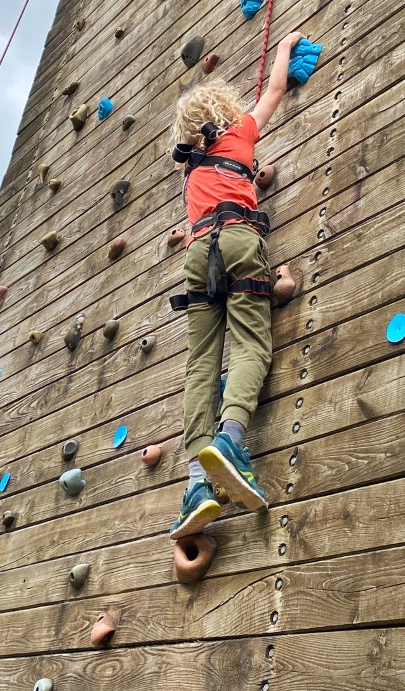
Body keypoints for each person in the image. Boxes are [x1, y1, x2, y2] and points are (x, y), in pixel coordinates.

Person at [167, 31, 304, 540]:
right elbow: (273, 91)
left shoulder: (190, 168)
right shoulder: (241, 133)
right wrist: (285, 45)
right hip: (241, 240)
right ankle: (231, 439)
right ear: (224, 112)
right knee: (251, 344)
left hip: (198, 254)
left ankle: (196, 486)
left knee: (201, 365)